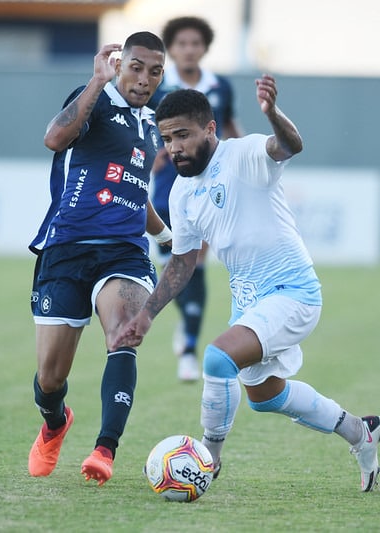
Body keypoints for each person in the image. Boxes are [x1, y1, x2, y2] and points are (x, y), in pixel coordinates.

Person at [115, 78, 380, 492]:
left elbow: (290, 145)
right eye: (167, 138)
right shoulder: (183, 194)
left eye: (183, 135)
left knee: (217, 359)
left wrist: (272, 114)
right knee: (266, 396)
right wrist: (147, 315)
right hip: (249, 301)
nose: (174, 148)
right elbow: (183, 262)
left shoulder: (242, 154)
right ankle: (358, 430)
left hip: (293, 292)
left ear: (210, 129)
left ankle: (207, 460)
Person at [27, 31, 170, 487]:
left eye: (155, 71)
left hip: (125, 252)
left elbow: (135, 188)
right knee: (50, 378)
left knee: (124, 336)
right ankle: (54, 422)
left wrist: (166, 236)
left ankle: (105, 449)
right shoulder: (97, 99)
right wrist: (95, 81)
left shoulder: (151, 125)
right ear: (118, 63)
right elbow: (54, 138)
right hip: (67, 247)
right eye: (136, 67)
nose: (145, 79)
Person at [148, 16, 243, 382]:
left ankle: (188, 348)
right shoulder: (157, 87)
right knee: (170, 264)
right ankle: (185, 321)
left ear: (204, 48)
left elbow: (231, 128)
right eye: (181, 43)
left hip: (207, 187)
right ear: (171, 49)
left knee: (195, 261)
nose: (189, 49)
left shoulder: (220, 87)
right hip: (165, 188)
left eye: (195, 43)